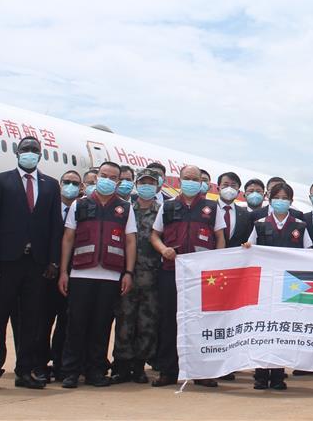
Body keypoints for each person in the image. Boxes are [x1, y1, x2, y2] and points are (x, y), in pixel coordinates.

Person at [0, 136, 62, 392]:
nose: (30, 153)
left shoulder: (50, 185)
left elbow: (54, 228)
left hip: (36, 264)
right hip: (5, 263)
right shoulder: (0, 180)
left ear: (40, 155)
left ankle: (25, 370)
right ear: (17, 153)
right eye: (26, 149)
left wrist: (53, 260)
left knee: (31, 320)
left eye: (35, 150)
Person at [58, 162, 136, 388]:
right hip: (81, 273)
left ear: (118, 181)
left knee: (101, 326)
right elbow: (68, 239)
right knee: (76, 324)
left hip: (111, 276)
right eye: (104, 175)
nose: (107, 180)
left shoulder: (124, 208)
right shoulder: (79, 205)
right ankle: (71, 371)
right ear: (96, 176)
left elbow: (130, 241)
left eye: (113, 177)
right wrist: (64, 271)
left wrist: (128, 272)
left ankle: (95, 371)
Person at [149, 164, 225, 388]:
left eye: (196, 178)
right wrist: (164, 250)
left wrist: (217, 261)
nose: (191, 182)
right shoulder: (168, 207)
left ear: (202, 182)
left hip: (203, 277)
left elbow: (220, 237)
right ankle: (168, 371)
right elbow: (154, 235)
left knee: (202, 322)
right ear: (180, 180)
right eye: (187, 178)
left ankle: (202, 372)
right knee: (170, 320)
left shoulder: (212, 207)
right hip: (171, 272)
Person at [242, 182, 312, 390]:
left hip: (289, 286)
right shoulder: (260, 224)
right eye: (277, 197)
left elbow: (309, 255)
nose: (281, 201)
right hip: (265, 285)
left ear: (291, 201)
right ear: (270, 200)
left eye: (285, 198)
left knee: (283, 329)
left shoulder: (300, 225)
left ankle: (279, 375)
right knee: (263, 329)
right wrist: (247, 248)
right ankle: (261, 375)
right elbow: (249, 249)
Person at [111, 168, 163, 384]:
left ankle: (139, 366)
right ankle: (121, 366)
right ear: (136, 184)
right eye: (143, 182)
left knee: (147, 323)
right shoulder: (124, 209)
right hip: (127, 275)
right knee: (124, 322)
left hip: (152, 279)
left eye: (151, 183)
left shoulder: (162, 211)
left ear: (158, 186)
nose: (146, 186)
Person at [34, 169, 81, 383]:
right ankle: (40, 365)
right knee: (42, 322)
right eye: (67, 181)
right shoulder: (47, 208)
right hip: (46, 274)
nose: (70, 186)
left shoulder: (83, 209)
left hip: (72, 275)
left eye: (75, 183)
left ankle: (61, 364)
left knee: (65, 323)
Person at [216, 171, 252, 247]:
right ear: (218, 188)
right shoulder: (209, 209)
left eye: (233, 186)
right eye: (225, 185)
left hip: (234, 257)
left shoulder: (245, 214)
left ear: (238, 192)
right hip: (209, 256)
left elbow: (246, 241)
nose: (229, 189)